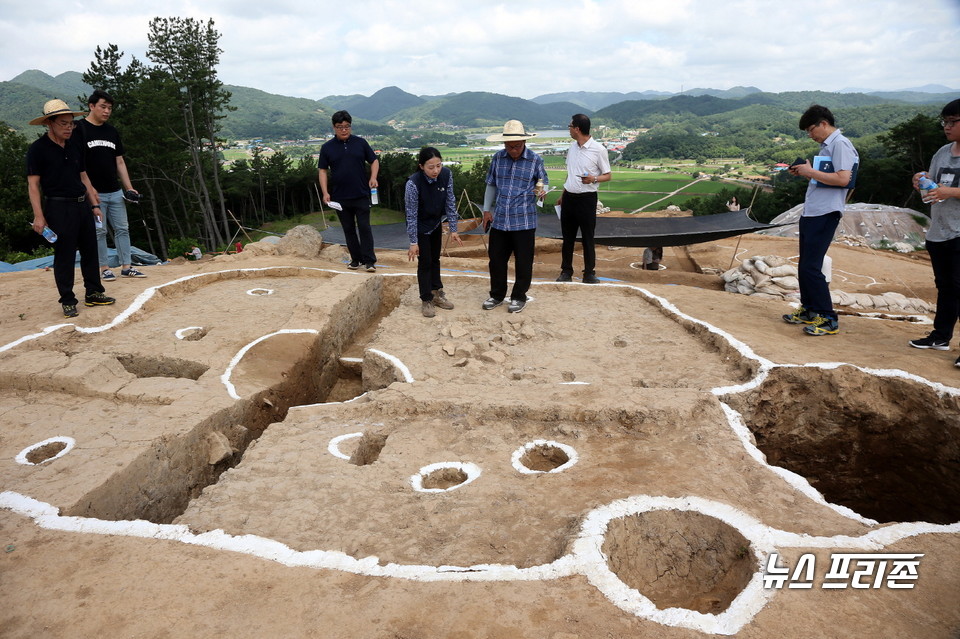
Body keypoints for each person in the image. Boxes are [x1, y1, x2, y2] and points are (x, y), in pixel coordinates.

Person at [26, 99, 115, 318]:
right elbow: (33, 185)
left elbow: (83, 176)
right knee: (64, 255)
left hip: (81, 204)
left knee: (90, 251)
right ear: (50, 123)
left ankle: (94, 292)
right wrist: (39, 216)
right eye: (63, 123)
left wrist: (94, 203)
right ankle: (67, 299)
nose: (68, 127)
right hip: (58, 207)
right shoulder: (38, 149)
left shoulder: (75, 144)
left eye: (71, 123)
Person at [783, 105, 859, 336]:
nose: (809, 134)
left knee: (811, 267)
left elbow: (844, 179)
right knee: (804, 265)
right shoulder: (828, 146)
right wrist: (807, 171)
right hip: (813, 211)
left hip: (826, 212)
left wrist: (809, 172)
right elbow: (826, 176)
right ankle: (808, 309)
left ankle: (827, 317)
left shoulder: (841, 144)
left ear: (823, 123)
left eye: (810, 129)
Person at [908, 99, 960, 367]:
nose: (947, 127)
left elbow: (947, 189)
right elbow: (933, 181)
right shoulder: (942, 152)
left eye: (953, 122)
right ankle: (940, 337)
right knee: (946, 288)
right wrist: (921, 180)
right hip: (940, 231)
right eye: (945, 122)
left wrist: (948, 191)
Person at [75, 89, 146, 281]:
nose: (106, 111)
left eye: (109, 108)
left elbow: (120, 162)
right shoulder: (79, 129)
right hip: (93, 194)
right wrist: (89, 190)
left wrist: (129, 187)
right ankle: (104, 268)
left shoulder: (111, 131)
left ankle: (127, 266)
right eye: (103, 107)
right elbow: (77, 164)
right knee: (99, 231)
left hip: (115, 191)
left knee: (123, 228)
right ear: (91, 106)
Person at [482, 120, 548, 313]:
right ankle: (496, 295)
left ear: (524, 143)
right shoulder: (497, 158)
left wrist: (542, 193)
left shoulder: (535, 160)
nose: (513, 150)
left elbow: (543, 183)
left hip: (524, 219)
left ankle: (519, 296)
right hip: (501, 218)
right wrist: (486, 210)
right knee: (496, 259)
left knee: (523, 261)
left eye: (517, 146)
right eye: (509, 146)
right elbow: (491, 185)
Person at [318, 110, 379, 272]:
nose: (344, 130)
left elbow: (374, 161)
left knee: (365, 227)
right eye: (340, 127)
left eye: (347, 126)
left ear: (350, 126)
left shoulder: (361, 143)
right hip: (339, 197)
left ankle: (370, 261)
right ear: (334, 128)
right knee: (348, 229)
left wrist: (373, 177)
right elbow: (322, 171)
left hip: (361, 194)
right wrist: (325, 192)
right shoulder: (327, 148)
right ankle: (356, 259)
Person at [406, 147, 462, 317]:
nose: (436, 170)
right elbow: (411, 214)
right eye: (431, 167)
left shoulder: (446, 175)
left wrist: (453, 229)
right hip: (421, 225)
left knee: (435, 259)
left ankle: (437, 293)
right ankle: (426, 298)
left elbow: (450, 201)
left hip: (436, 222)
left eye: (438, 165)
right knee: (425, 262)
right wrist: (413, 242)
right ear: (421, 166)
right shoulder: (413, 184)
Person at [556, 113, 611, 283]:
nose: (569, 129)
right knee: (568, 238)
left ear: (577, 129)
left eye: (570, 126)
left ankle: (589, 273)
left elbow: (608, 175)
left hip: (587, 199)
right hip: (569, 199)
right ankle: (566, 272)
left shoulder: (599, 149)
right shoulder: (572, 148)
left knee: (588, 237)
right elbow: (570, 174)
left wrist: (593, 179)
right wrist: (563, 194)